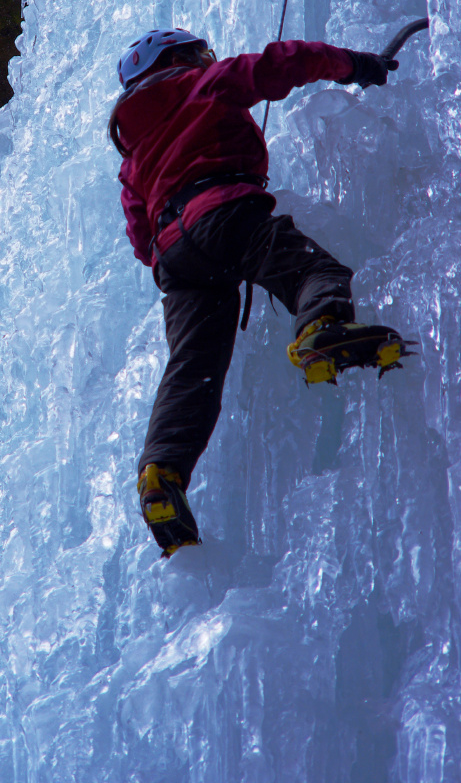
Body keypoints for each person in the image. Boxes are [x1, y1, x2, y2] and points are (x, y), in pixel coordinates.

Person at [110, 28, 408, 558]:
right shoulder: (203, 82)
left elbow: (140, 240)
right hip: (222, 211)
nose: (208, 58)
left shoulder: (131, 157)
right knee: (313, 271)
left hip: (174, 256)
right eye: (200, 53)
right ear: (180, 58)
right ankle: (321, 328)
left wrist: (183, 249)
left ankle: (163, 472)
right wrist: (357, 65)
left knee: (193, 367)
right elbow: (283, 63)